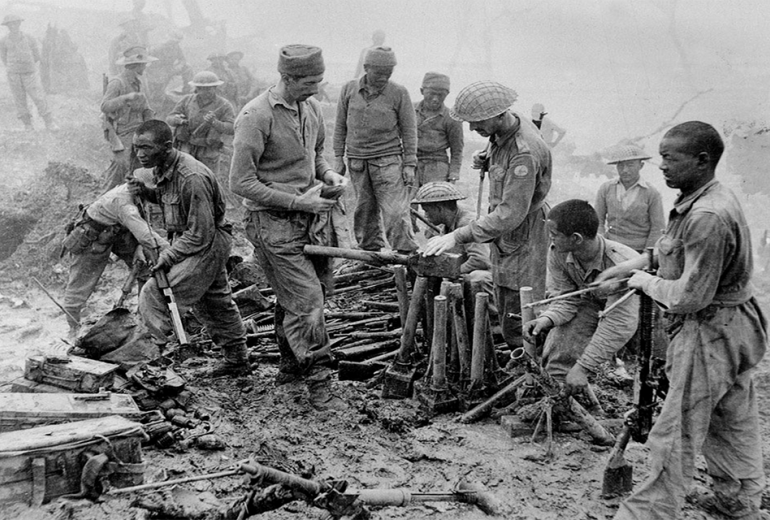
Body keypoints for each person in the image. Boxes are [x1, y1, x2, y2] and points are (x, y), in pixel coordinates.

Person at [597, 122, 767, 520]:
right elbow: (675, 249)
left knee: (675, 432)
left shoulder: (708, 214)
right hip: (736, 326)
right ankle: (739, 501)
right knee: (731, 419)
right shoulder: (703, 197)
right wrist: (636, 263)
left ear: (702, 160)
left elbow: (691, 296)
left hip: (710, 330)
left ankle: (646, 514)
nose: (662, 166)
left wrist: (642, 281)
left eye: (671, 158)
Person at [230, 44, 349, 410]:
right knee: (308, 300)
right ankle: (318, 382)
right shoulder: (255, 116)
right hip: (271, 224)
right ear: (286, 78)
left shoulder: (310, 107)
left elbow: (316, 156)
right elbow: (241, 182)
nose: (315, 89)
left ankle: (289, 366)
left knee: (300, 295)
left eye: (319, 81)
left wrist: (329, 174)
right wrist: (300, 202)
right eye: (308, 82)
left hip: (308, 221)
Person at [424, 81, 551, 349]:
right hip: (506, 234)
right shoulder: (506, 128)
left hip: (522, 233)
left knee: (520, 309)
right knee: (505, 298)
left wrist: (460, 234)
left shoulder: (523, 154)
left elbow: (510, 214)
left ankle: (532, 372)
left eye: (477, 122)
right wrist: (489, 157)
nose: (472, 129)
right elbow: (502, 150)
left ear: (499, 114)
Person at [129, 119, 250, 378]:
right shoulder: (163, 168)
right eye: (137, 147)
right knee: (215, 301)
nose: (140, 154)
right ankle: (237, 360)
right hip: (194, 240)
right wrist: (147, 192)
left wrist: (168, 256)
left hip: (206, 243)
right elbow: (172, 202)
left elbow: (200, 233)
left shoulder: (191, 176)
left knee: (155, 293)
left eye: (147, 148)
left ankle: (154, 360)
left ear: (167, 146)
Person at [522, 199, 639, 392]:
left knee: (656, 375)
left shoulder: (620, 263)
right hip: (594, 305)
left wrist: (583, 367)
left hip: (642, 313)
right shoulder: (559, 253)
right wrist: (546, 320)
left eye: (554, 235)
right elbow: (566, 298)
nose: (550, 239)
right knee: (559, 348)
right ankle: (560, 396)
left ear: (576, 238)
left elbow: (618, 323)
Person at [62, 170, 168, 336]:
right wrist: (173, 250)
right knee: (80, 285)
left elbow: (144, 226)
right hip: (93, 236)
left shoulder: (138, 197)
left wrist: (142, 247)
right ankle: (73, 328)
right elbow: (146, 235)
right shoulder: (124, 203)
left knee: (145, 268)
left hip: (120, 232)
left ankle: (144, 317)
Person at [333, 46, 418, 255]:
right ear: (366, 68)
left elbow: (409, 130)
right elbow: (340, 125)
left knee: (395, 212)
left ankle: (405, 253)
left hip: (388, 161)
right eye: (379, 72)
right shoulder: (348, 90)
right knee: (364, 210)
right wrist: (337, 157)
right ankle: (370, 253)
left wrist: (409, 164)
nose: (384, 77)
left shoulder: (399, 92)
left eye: (388, 72)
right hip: (357, 162)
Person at [412, 181, 495, 306]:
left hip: (493, 277)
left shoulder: (467, 223)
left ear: (439, 208)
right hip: (473, 276)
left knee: (476, 278)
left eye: (427, 211)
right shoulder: (446, 226)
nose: (425, 215)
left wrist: (452, 273)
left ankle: (493, 322)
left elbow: (481, 260)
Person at [101, 45, 156, 191]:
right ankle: (103, 201)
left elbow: (146, 106)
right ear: (135, 65)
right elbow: (105, 106)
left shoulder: (139, 82)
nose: (145, 66)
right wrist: (125, 98)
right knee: (120, 167)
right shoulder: (117, 82)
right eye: (143, 64)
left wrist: (153, 124)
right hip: (122, 133)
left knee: (140, 168)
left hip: (139, 131)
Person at [594, 143, 665, 253]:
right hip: (611, 248)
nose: (625, 170)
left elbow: (657, 228)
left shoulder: (651, 193)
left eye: (630, 165)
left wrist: (646, 255)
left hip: (639, 251)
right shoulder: (606, 189)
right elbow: (598, 221)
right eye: (621, 165)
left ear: (641, 166)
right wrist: (601, 246)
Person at [166, 71, 234, 182]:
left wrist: (215, 122)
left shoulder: (224, 105)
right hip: (186, 148)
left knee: (208, 180)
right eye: (202, 88)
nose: (206, 91)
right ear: (196, 88)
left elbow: (231, 128)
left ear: (215, 88)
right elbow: (169, 118)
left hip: (208, 150)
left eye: (210, 88)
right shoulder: (186, 100)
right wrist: (178, 120)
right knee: (182, 178)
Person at [0, 14, 55, 131]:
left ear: (19, 24)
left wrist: (27, 66)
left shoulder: (29, 38)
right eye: (10, 24)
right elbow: (4, 57)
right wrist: (12, 68)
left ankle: (49, 122)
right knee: (19, 99)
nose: (13, 26)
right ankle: (27, 124)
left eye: (15, 23)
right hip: (13, 74)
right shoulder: (4, 41)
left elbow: (36, 55)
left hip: (29, 73)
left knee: (38, 97)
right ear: (7, 26)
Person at [414, 72, 464, 185]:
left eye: (441, 95)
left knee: (436, 199)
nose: (435, 99)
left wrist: (453, 175)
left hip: (437, 165)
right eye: (431, 94)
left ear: (447, 94)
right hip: (411, 163)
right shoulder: (410, 111)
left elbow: (457, 150)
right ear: (422, 91)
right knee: (407, 200)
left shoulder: (452, 117)